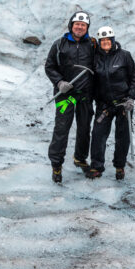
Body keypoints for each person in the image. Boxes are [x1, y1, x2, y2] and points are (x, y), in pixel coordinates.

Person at [44, 11, 96, 183]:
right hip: (65, 96)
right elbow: (50, 66)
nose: (79, 27)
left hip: (84, 96)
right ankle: (56, 165)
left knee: (84, 129)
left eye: (83, 25)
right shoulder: (59, 44)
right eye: (77, 24)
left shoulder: (92, 45)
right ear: (71, 25)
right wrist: (59, 82)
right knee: (61, 129)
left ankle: (80, 158)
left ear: (87, 27)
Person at [86, 26, 135, 180]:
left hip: (124, 104)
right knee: (98, 135)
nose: (105, 43)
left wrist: (131, 97)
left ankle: (119, 166)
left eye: (108, 40)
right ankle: (96, 167)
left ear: (113, 40)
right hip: (104, 105)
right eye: (102, 41)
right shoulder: (95, 58)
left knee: (122, 137)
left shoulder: (124, 56)